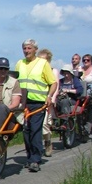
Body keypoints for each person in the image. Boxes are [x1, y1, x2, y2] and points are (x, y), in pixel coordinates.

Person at [15, 39, 57, 173]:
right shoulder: (20, 63)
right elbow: (15, 82)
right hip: (24, 103)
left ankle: (35, 159)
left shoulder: (42, 63)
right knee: (26, 131)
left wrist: (49, 97)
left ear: (35, 50)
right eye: (25, 48)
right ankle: (30, 157)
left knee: (35, 130)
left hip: (38, 102)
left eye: (29, 48)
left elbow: (53, 83)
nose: (26, 51)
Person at [37, 48, 60, 157]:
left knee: (45, 124)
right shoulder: (36, 70)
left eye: (44, 59)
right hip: (36, 100)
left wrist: (52, 98)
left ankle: (47, 142)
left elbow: (55, 85)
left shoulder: (53, 71)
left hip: (48, 101)